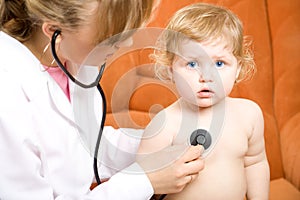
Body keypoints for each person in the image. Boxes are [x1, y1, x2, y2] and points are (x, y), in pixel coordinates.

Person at [0, 0, 205, 199]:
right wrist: (144, 181)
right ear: (54, 31)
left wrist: (158, 140)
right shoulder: (7, 93)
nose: (127, 43)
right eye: (110, 37)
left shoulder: (73, 61)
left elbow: (82, 147)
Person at [137, 2, 270, 200]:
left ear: (238, 68)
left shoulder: (249, 114)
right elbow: (142, 185)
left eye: (219, 63)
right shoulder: (165, 125)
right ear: (170, 70)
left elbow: (255, 163)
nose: (206, 76)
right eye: (192, 63)